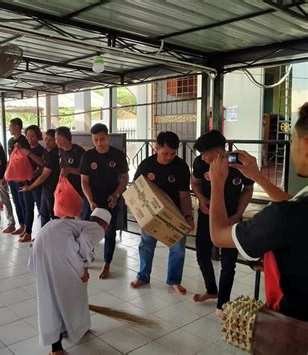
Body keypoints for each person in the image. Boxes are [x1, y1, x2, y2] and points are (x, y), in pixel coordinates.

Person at [209, 102, 308, 322]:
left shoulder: (283, 217)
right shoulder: (297, 208)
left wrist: (217, 182)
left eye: (292, 140)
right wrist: (256, 175)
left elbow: (218, 235)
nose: (291, 148)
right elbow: (293, 205)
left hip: (294, 328)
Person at [29, 208, 112, 355]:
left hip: (40, 246)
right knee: (68, 295)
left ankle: (67, 331)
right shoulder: (97, 228)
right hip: (59, 251)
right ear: (106, 225)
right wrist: (85, 267)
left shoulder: (76, 223)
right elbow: (86, 241)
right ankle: (61, 345)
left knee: (49, 296)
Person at [191, 130, 254, 315]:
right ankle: (212, 290)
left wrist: (238, 214)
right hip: (206, 216)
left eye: (204, 154)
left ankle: (223, 304)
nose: (202, 159)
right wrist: (201, 198)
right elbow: (194, 182)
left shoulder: (238, 164)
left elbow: (248, 189)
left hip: (231, 220)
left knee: (228, 263)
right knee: (202, 255)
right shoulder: (200, 164)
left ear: (218, 152)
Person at [130, 131, 193, 295]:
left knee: (178, 249)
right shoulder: (146, 165)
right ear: (156, 148)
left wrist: (188, 217)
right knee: (146, 245)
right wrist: (139, 214)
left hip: (175, 215)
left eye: (173, 153)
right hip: (151, 215)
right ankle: (143, 276)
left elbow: (184, 195)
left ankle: (174, 280)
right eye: (165, 153)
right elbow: (136, 190)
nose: (169, 157)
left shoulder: (181, 167)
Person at [80, 123, 129, 279]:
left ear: (108, 137)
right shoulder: (88, 156)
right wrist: (90, 200)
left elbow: (124, 178)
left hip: (111, 200)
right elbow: (84, 181)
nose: (99, 143)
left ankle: (107, 263)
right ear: (92, 139)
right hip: (92, 200)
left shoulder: (118, 155)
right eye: (96, 140)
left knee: (109, 232)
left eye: (102, 139)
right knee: (85, 232)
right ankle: (85, 261)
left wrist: (116, 194)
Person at [20, 129, 60, 226]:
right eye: (46, 139)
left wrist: (30, 186)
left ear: (56, 140)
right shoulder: (47, 150)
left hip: (53, 188)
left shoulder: (54, 154)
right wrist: (33, 174)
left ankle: (55, 237)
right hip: (45, 188)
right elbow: (43, 166)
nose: (47, 141)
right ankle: (43, 237)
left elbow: (44, 176)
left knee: (54, 215)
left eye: (50, 139)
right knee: (43, 213)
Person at [16, 125, 45, 242]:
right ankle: (28, 232)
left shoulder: (41, 150)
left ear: (37, 136)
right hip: (26, 183)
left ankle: (43, 235)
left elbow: (42, 164)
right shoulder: (25, 149)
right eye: (27, 136)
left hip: (38, 184)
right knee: (28, 208)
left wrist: (29, 154)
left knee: (41, 210)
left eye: (32, 136)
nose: (29, 138)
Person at [55, 126, 86, 216]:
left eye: (56, 139)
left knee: (78, 216)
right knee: (67, 216)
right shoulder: (61, 151)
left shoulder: (78, 151)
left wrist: (69, 169)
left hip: (78, 191)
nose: (55, 141)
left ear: (62, 139)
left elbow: (84, 171)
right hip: (66, 190)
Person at [7, 117, 30, 236]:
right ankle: (21, 224)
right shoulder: (10, 141)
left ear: (17, 127)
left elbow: (27, 160)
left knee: (23, 202)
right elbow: (10, 160)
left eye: (11, 126)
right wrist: (6, 175)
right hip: (12, 177)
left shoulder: (24, 141)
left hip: (22, 177)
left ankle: (27, 226)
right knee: (16, 201)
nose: (9, 128)